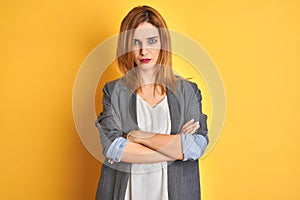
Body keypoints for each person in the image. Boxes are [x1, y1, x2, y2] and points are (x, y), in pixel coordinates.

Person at [95, 5, 208, 200]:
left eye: (152, 41)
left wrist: (138, 136)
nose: (143, 51)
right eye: (135, 42)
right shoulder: (113, 91)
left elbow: (195, 147)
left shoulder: (188, 92)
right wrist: (175, 149)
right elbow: (114, 148)